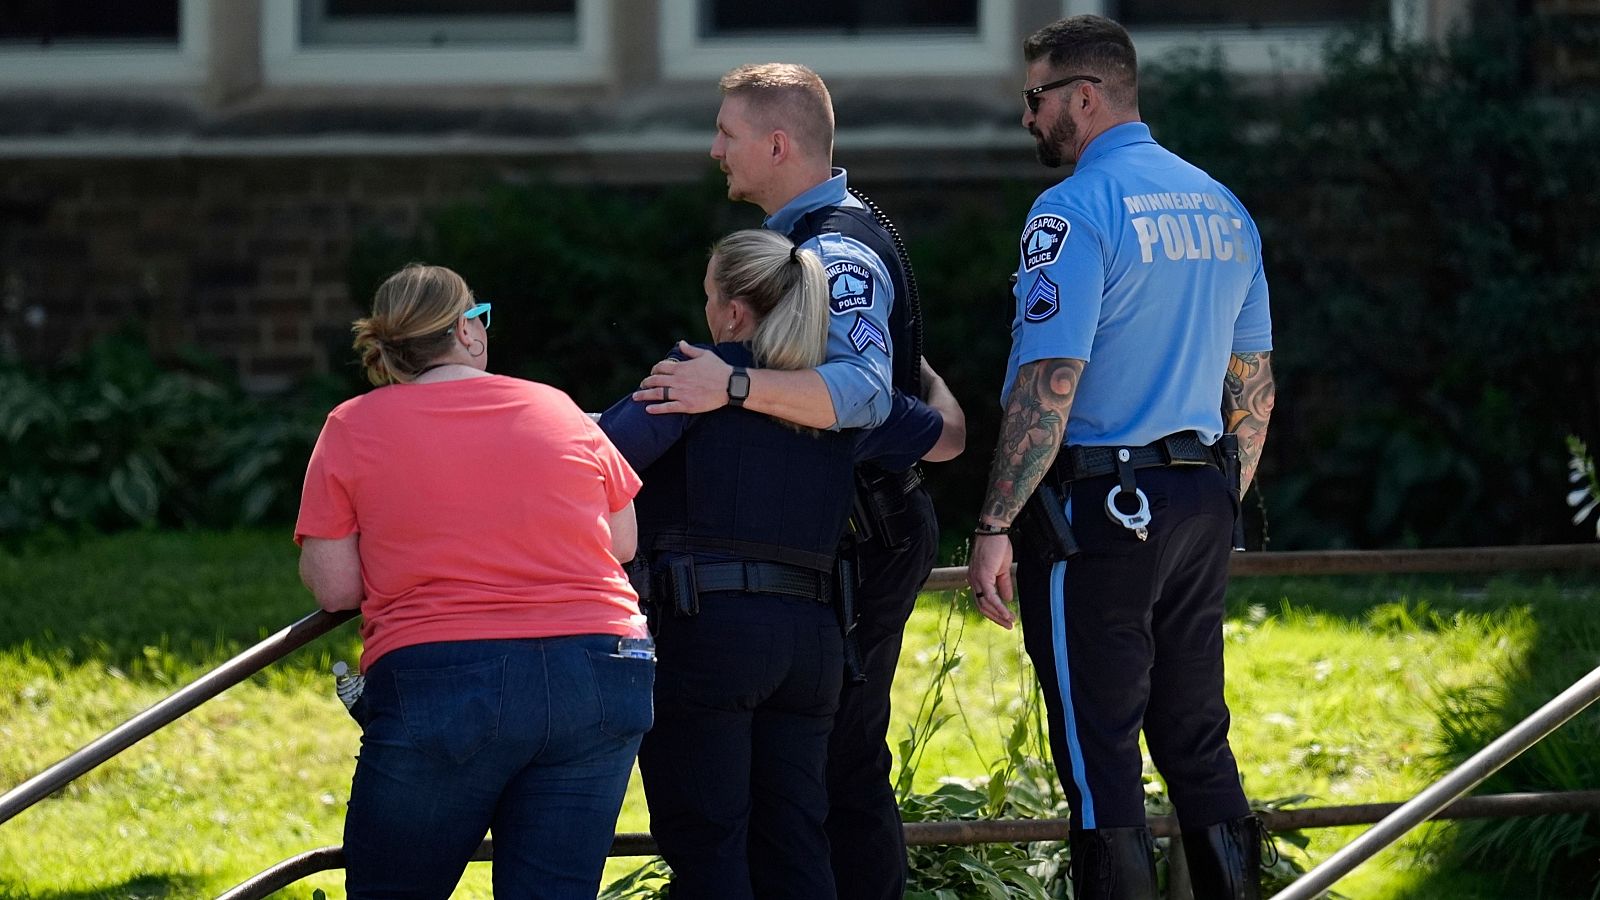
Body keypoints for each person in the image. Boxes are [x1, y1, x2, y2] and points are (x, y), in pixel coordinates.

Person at [965, 16, 1277, 900]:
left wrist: (994, 521)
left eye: (1036, 98)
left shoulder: (1070, 211)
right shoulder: (1222, 205)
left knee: (1098, 754)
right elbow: (1252, 387)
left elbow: (1050, 382)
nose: (1028, 119)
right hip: (1199, 496)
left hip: (1103, 512)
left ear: (1084, 97)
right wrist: (1216, 497)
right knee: (1195, 740)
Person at [634, 63, 964, 900]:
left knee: (839, 767)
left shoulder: (833, 251)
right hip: (822, 548)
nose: (714, 149)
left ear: (777, 143)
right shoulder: (818, 241)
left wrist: (732, 386)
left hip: (854, 538)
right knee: (812, 775)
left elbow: (861, 393)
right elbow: (919, 409)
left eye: (728, 133)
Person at [295, 263, 652, 900]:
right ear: (467, 329)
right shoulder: (557, 406)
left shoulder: (352, 424)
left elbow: (334, 588)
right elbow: (622, 542)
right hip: (602, 670)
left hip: (443, 679)